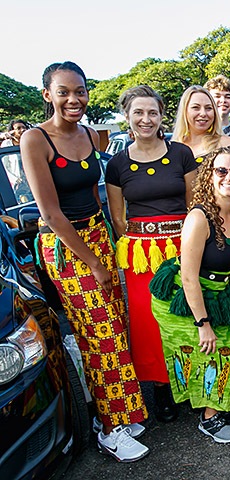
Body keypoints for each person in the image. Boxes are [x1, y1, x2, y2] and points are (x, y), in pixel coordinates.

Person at [21, 61, 149, 462]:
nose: (74, 99)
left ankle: (116, 412)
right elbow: (51, 213)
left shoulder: (93, 135)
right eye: (64, 91)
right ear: (48, 95)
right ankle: (112, 430)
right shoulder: (35, 139)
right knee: (101, 334)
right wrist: (94, 261)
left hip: (97, 236)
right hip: (66, 245)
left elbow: (97, 196)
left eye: (80, 91)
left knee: (114, 326)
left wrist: (108, 242)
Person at [149, 145, 230, 444]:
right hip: (183, 299)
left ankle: (225, 404)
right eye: (221, 170)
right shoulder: (199, 217)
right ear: (209, 175)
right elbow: (188, 277)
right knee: (210, 355)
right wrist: (203, 324)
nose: (229, 177)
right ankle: (209, 418)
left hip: (218, 291)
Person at [106, 85, 197, 423]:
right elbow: (118, 217)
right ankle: (162, 386)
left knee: (186, 313)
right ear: (127, 117)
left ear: (162, 116)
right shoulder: (116, 164)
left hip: (181, 245)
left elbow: (194, 203)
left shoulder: (181, 153)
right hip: (141, 253)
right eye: (138, 113)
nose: (146, 119)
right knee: (150, 322)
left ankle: (193, 380)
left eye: (153, 113)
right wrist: (141, 242)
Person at [172, 85, 230, 158]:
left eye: (208, 108)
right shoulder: (173, 148)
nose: (203, 113)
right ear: (184, 111)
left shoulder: (226, 144)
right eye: (196, 107)